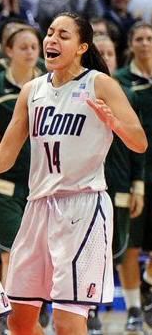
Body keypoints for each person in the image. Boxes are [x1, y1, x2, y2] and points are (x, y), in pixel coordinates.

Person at [0, 12, 147, 335]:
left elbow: (140, 142)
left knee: (66, 321)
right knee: (19, 322)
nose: (52, 40)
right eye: (50, 33)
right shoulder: (31, 91)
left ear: (81, 47)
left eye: (63, 35)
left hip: (83, 208)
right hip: (38, 208)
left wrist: (114, 124)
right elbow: (2, 158)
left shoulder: (99, 83)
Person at [0, 25, 43, 334]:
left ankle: (30, 313)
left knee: (38, 254)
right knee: (11, 251)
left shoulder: (49, 83)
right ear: (9, 51)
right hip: (4, 182)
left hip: (42, 183)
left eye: (34, 46)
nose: (31, 51)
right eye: (23, 46)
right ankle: (10, 315)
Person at [88, 33, 146, 334]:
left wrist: (138, 183)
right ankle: (90, 310)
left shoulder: (128, 95)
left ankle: (132, 308)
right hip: (86, 185)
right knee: (91, 252)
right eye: (102, 52)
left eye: (111, 52)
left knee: (119, 250)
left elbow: (138, 145)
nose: (107, 57)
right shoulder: (80, 93)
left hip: (120, 182)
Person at [113, 21, 152, 330]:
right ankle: (135, 308)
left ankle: (148, 282)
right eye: (139, 38)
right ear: (130, 44)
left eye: (150, 38)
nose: (145, 43)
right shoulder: (121, 82)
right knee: (132, 245)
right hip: (134, 173)